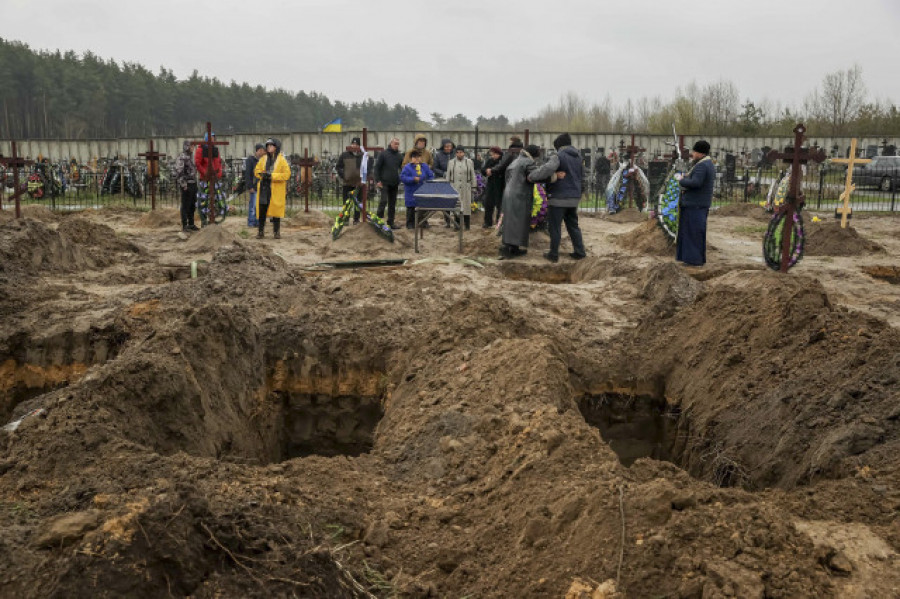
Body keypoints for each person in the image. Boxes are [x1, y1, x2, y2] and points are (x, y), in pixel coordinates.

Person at [528, 133, 587, 262]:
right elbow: (583, 178)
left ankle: (553, 254)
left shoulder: (558, 156)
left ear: (559, 146)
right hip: (574, 198)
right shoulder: (578, 157)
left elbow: (547, 169)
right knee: (573, 226)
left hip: (558, 198)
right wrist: (579, 192)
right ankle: (580, 252)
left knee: (554, 226)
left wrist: (532, 176)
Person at [676, 140, 715, 266]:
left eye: (694, 151)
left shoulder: (702, 165)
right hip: (697, 204)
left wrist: (682, 180)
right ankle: (692, 258)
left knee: (693, 233)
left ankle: (693, 260)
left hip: (695, 204)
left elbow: (696, 183)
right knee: (695, 232)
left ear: (700, 153)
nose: (692, 154)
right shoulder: (706, 163)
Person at [498, 144, 539, 259]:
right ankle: (509, 250)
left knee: (510, 222)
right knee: (518, 222)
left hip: (508, 193)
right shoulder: (528, 162)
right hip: (519, 194)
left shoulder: (515, 161)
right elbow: (535, 176)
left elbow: (507, 177)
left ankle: (511, 247)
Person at [254, 138, 290, 239]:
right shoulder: (263, 159)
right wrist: (262, 175)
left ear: (276, 147)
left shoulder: (282, 160)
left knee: (276, 212)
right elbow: (256, 171)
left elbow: (286, 175)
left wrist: (272, 176)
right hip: (264, 188)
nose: (269, 147)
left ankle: (276, 232)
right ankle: (260, 232)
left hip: (275, 189)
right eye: (268, 145)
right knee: (262, 210)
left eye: (271, 145)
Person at [194, 132, 224, 226]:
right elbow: (198, 164)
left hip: (214, 179)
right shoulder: (200, 150)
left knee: (215, 199)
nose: (213, 140)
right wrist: (206, 173)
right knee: (203, 201)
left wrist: (218, 173)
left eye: (214, 138)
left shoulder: (215, 150)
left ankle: (213, 218)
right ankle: (204, 221)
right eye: (211, 138)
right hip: (205, 179)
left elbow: (218, 163)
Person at [400, 150, 435, 229]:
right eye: (414, 157)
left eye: (418, 157)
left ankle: (423, 222)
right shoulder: (407, 167)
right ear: (411, 158)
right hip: (411, 191)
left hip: (422, 190)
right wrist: (413, 179)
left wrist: (428, 182)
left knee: (423, 208)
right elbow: (403, 177)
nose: (417, 159)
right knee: (411, 208)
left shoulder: (424, 166)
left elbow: (430, 175)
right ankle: (410, 224)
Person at [374, 137, 403, 229]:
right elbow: (377, 167)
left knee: (392, 204)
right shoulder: (383, 154)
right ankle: (378, 220)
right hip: (384, 182)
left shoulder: (399, 156)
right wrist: (377, 180)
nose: (396, 145)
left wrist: (401, 178)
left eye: (398, 144)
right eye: (395, 143)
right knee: (383, 201)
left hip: (394, 183)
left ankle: (391, 222)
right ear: (391, 144)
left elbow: (402, 168)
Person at [446, 145, 476, 230]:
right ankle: (457, 225)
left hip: (466, 187)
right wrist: (447, 186)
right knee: (456, 206)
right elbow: (448, 175)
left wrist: (474, 186)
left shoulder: (469, 162)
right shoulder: (451, 162)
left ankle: (467, 225)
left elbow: (472, 174)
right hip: (454, 187)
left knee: (466, 206)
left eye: (461, 152)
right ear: (455, 153)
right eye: (458, 152)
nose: (459, 154)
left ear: (464, 153)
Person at [336, 137, 364, 223]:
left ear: (359, 146)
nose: (354, 146)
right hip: (347, 183)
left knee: (358, 203)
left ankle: (356, 219)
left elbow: (367, 168)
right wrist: (344, 176)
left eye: (356, 144)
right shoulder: (344, 155)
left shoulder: (362, 156)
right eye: (353, 144)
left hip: (358, 184)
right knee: (346, 202)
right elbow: (338, 167)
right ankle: (346, 219)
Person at [174, 141, 199, 232]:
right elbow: (179, 172)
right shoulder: (182, 157)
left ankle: (191, 223)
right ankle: (185, 225)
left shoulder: (191, 156)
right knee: (185, 205)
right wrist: (183, 184)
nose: (193, 148)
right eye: (191, 146)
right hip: (186, 184)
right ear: (186, 147)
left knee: (192, 204)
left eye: (193, 146)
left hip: (193, 183)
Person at [480, 146, 504, 228]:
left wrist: (492, 171)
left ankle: (499, 222)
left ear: (498, 154)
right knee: (488, 204)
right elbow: (483, 169)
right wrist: (486, 171)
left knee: (500, 205)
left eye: (494, 154)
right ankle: (488, 222)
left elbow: (501, 170)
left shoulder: (502, 161)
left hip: (500, 185)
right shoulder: (490, 161)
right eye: (492, 155)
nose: (493, 156)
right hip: (491, 185)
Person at [244, 143, 265, 228]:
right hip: (254, 186)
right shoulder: (250, 160)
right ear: (258, 151)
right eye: (262, 150)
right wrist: (250, 186)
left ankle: (257, 221)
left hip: (261, 187)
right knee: (253, 205)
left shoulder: (263, 160)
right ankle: (251, 221)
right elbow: (248, 174)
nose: (263, 152)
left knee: (259, 205)